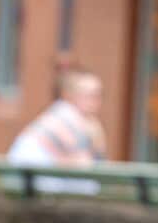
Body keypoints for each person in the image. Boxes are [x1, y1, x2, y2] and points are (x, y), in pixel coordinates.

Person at [7, 66, 107, 195]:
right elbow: (83, 160)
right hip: (33, 178)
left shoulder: (69, 116)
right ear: (70, 95)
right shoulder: (67, 115)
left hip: (29, 178)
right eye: (90, 95)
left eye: (99, 94)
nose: (96, 101)